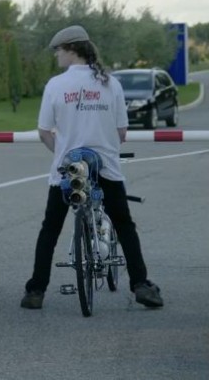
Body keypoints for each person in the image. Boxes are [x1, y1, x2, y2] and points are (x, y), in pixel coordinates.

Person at [21, 25, 163, 310]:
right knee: (124, 224)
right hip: (105, 167)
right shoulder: (111, 83)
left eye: (58, 50)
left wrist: (60, 152)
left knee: (50, 228)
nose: (57, 56)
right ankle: (140, 284)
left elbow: (44, 131)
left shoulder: (56, 85)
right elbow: (122, 131)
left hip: (68, 169)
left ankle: (35, 290)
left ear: (72, 50)